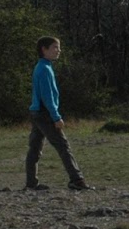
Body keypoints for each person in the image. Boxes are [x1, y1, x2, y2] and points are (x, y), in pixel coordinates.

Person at [25, 36, 91, 191]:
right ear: (44, 49)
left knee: (34, 148)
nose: (58, 50)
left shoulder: (42, 66)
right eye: (55, 47)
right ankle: (77, 180)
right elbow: (47, 96)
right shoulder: (44, 69)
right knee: (63, 146)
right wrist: (56, 117)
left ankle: (31, 183)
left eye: (58, 47)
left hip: (36, 112)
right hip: (44, 113)